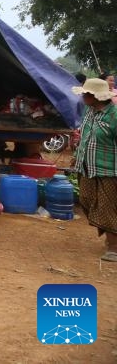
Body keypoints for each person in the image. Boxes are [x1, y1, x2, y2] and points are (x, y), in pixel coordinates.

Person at [72, 77, 117, 262]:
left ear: (96, 96)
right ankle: (110, 233)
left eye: (86, 94)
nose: (83, 96)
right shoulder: (89, 111)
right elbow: (85, 136)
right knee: (87, 199)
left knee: (106, 207)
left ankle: (113, 247)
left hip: (109, 169)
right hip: (86, 166)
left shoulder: (114, 115)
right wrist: (76, 155)